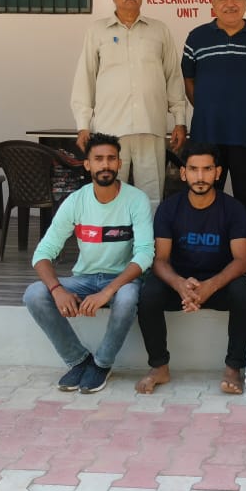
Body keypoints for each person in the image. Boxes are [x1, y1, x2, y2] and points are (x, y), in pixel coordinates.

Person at [22, 133, 154, 393]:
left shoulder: (136, 199)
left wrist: (108, 291)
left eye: (111, 159)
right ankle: (78, 360)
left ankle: (102, 363)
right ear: (88, 165)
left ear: (119, 163)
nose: (105, 165)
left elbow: (144, 254)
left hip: (123, 279)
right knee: (34, 293)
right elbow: (43, 253)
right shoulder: (76, 201)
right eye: (98, 159)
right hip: (85, 278)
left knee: (127, 298)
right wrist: (57, 290)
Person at [134, 143, 246, 395]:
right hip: (180, 285)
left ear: (218, 172)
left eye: (207, 169)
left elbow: (242, 261)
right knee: (148, 294)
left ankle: (234, 367)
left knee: (244, 292)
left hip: (218, 284)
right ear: (183, 173)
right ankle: (159, 366)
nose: (200, 177)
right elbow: (160, 260)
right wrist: (180, 285)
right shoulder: (169, 208)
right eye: (193, 169)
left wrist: (210, 286)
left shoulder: (233, 209)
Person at [71, 0, 186, 206]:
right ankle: (113, 242)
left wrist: (180, 120)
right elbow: (85, 78)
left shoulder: (159, 30)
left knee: (151, 195)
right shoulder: (97, 31)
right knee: (108, 191)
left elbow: (173, 77)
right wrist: (83, 124)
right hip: (110, 129)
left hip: (150, 125)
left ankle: (147, 243)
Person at [182, 0, 246, 283]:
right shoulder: (197, 38)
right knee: (204, 202)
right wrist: (211, 108)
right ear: (213, 5)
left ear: (245, 3)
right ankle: (204, 262)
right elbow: (189, 83)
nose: (230, 4)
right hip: (207, 137)